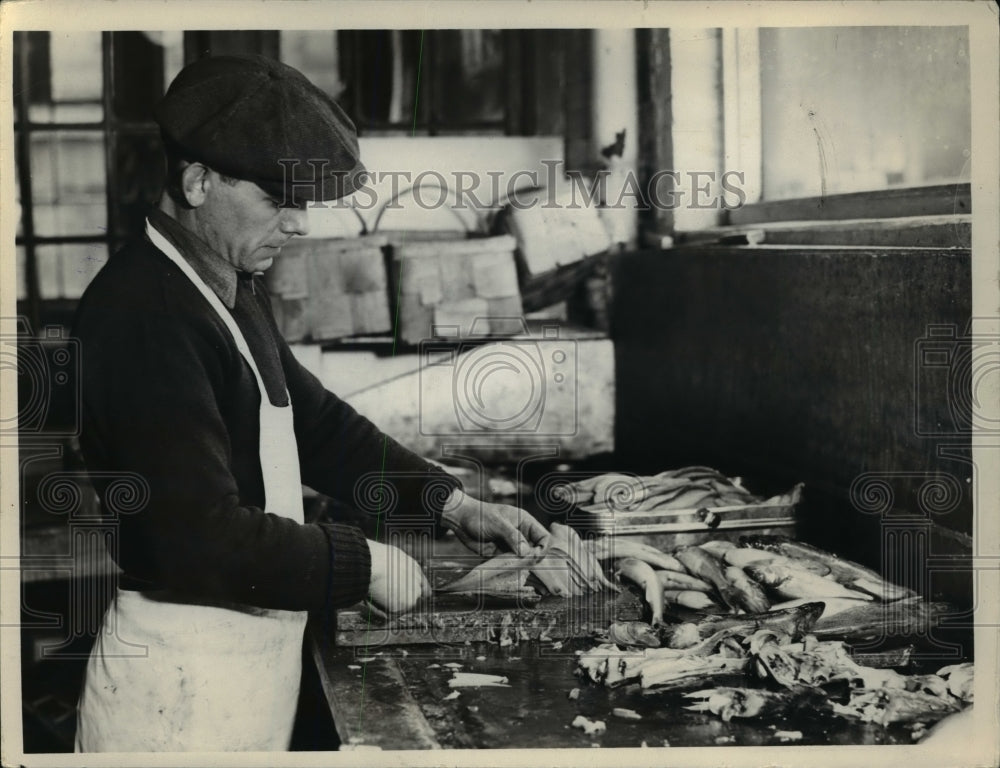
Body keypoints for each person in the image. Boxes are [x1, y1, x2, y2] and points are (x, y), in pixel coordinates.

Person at [71, 53, 549, 752]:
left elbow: (316, 425)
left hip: (236, 676)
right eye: (278, 200)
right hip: (175, 696)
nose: (298, 225)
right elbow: (192, 537)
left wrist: (452, 504)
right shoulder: (145, 314)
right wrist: (363, 564)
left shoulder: (225, 284)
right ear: (198, 182)